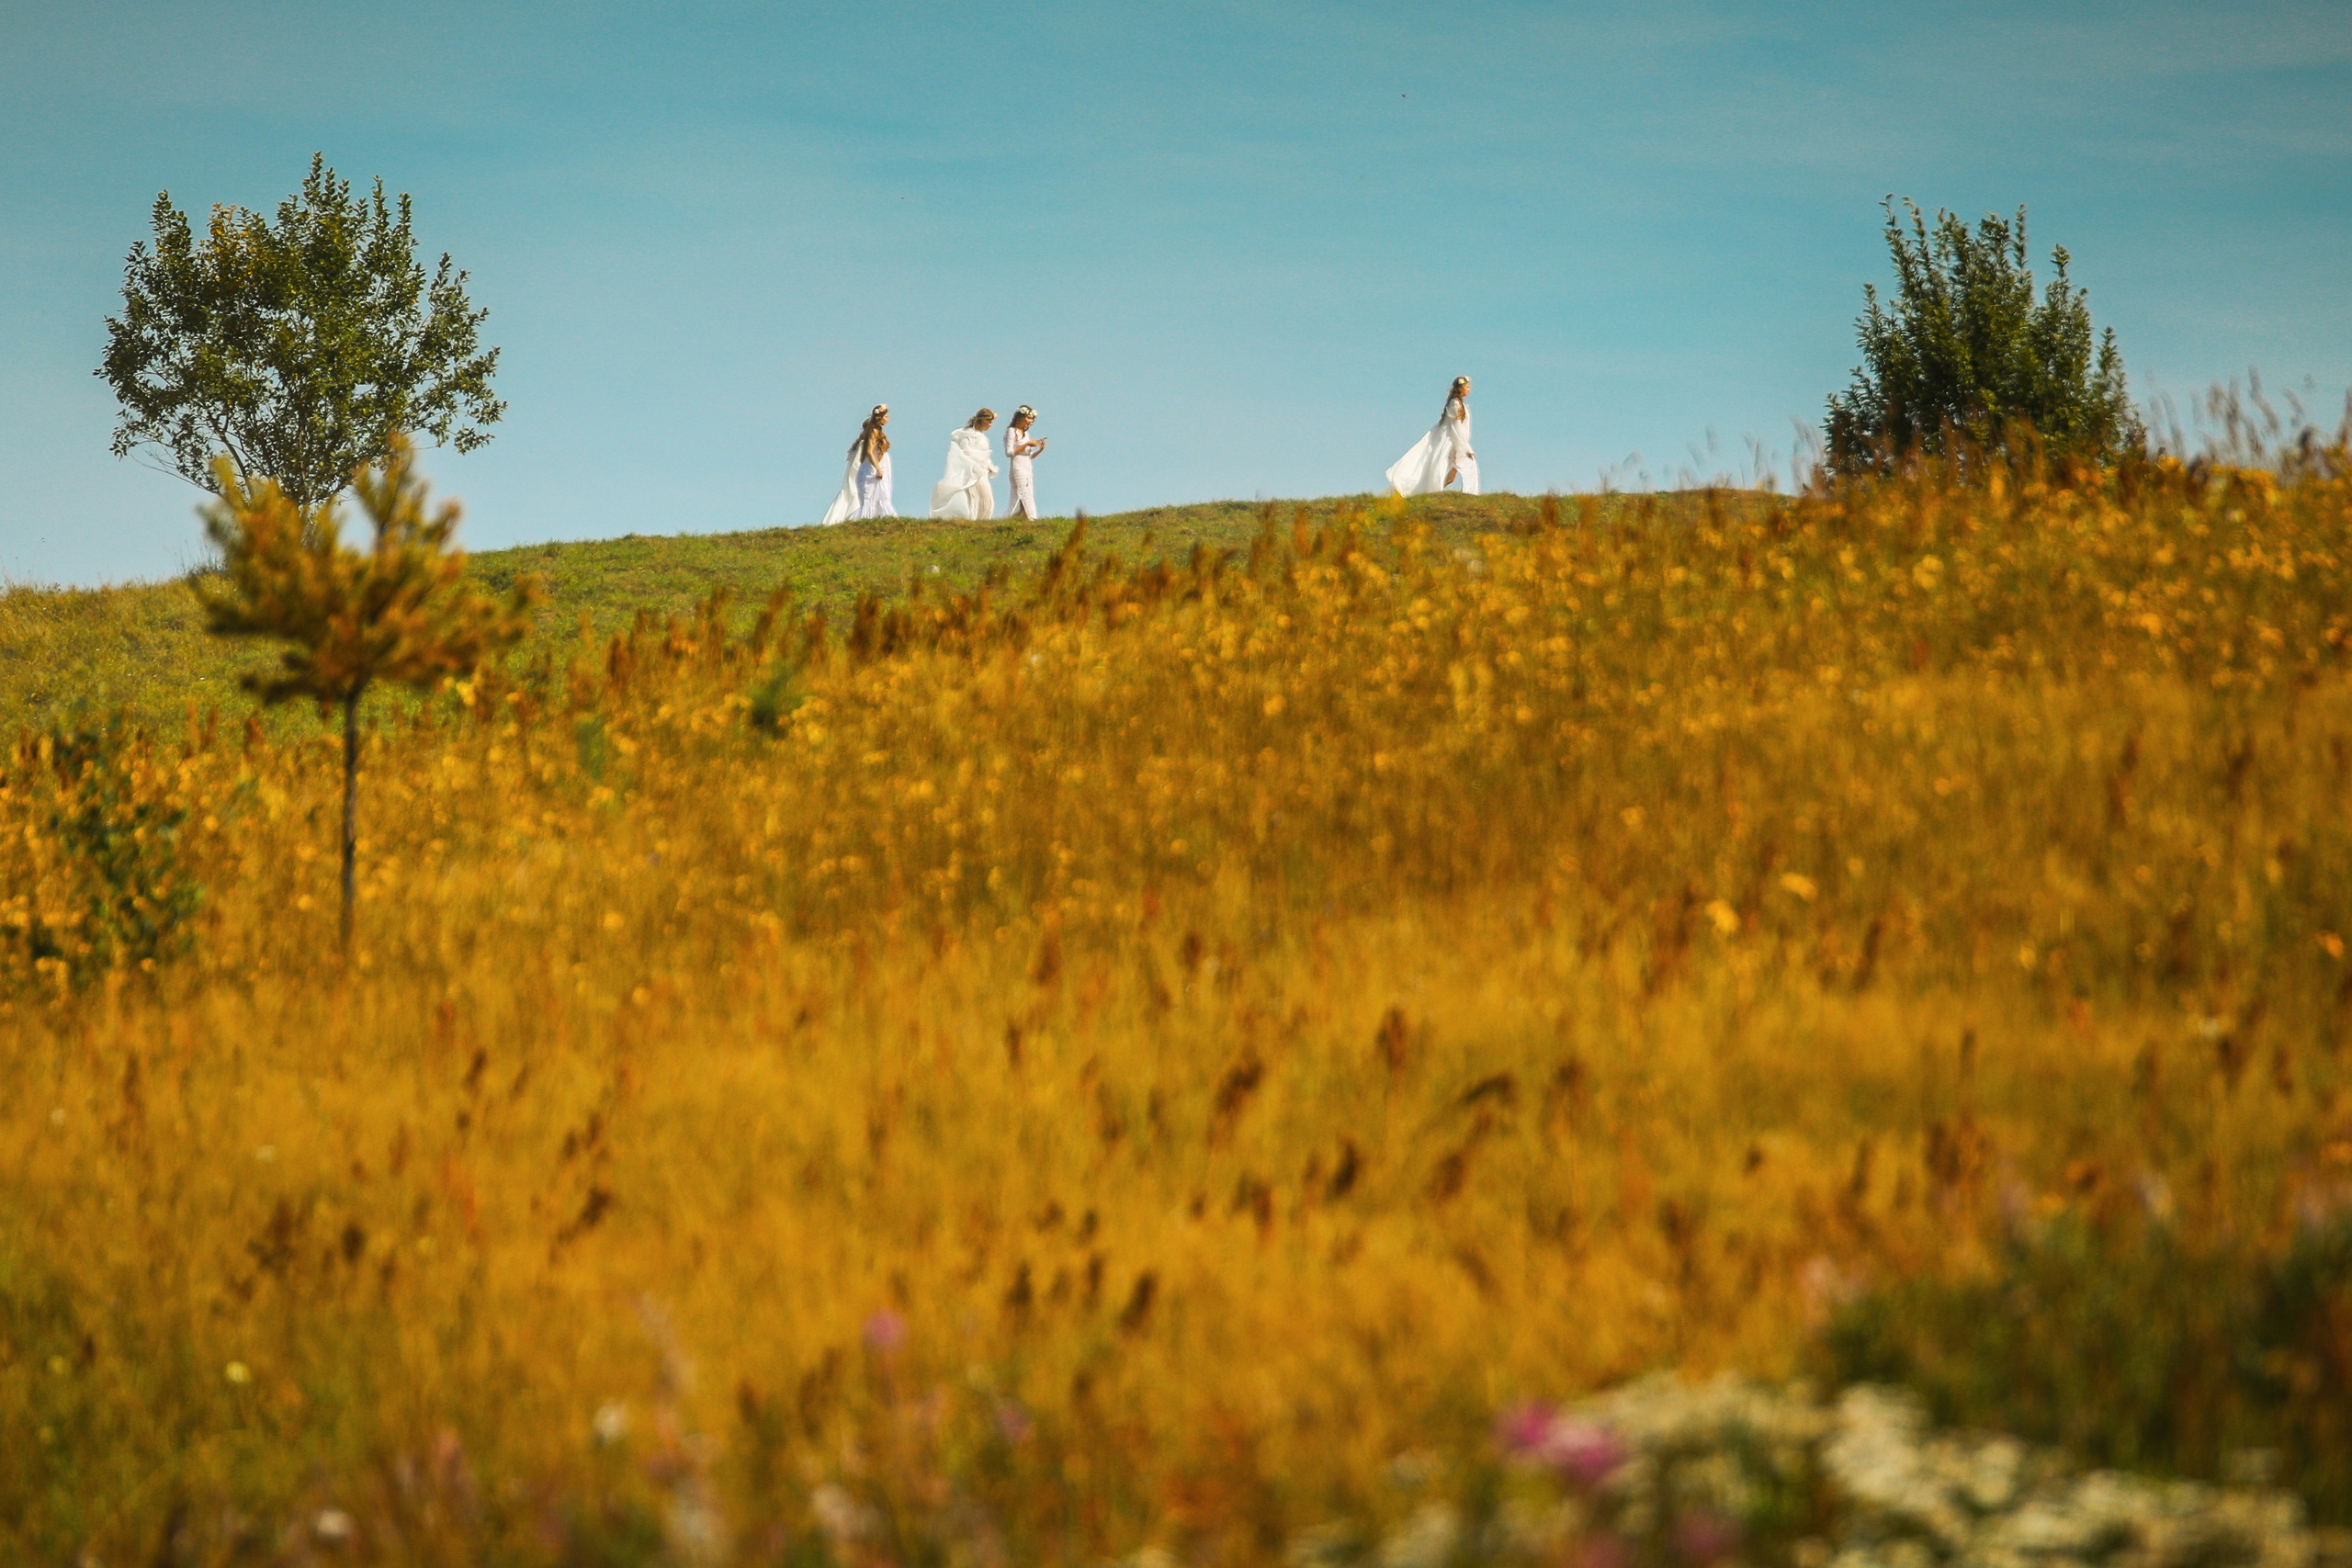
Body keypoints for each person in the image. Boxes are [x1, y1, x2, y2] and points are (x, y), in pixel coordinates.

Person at [1385, 376, 1479, 496]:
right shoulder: (1455, 405)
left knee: (1454, 472)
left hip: (1457, 441)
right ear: (1460, 389)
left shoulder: (1460, 404)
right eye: (1467, 387)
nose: (1469, 390)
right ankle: (1435, 492)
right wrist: (1465, 448)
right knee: (1446, 469)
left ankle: (1449, 492)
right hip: (1451, 441)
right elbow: (1456, 429)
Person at [820, 404, 895, 524]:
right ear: (879, 418)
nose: (888, 419)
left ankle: (880, 519)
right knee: (871, 498)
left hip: (881, 465)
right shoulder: (873, 433)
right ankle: (867, 520)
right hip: (873, 468)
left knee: (882, 495)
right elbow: (869, 452)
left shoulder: (878, 433)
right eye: (886, 417)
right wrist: (878, 468)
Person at [930, 409, 1000, 520]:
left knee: (986, 497)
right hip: (973, 471)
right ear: (982, 421)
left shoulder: (983, 437)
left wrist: (989, 466)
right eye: (989, 422)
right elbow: (965, 450)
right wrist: (979, 461)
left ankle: (983, 520)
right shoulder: (969, 435)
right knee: (977, 496)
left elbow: (985, 455)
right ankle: (975, 519)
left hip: (983, 471)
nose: (990, 426)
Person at [1004, 406, 1046, 519]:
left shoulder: (1026, 434)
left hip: (1027, 465)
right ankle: (1033, 518)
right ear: (1020, 417)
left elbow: (1029, 456)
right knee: (1024, 493)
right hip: (1017, 466)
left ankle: (1009, 517)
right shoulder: (1012, 431)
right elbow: (1010, 452)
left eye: (1032, 419)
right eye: (1028, 418)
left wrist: (1040, 449)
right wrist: (1026, 444)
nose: (1030, 421)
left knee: (1023, 493)